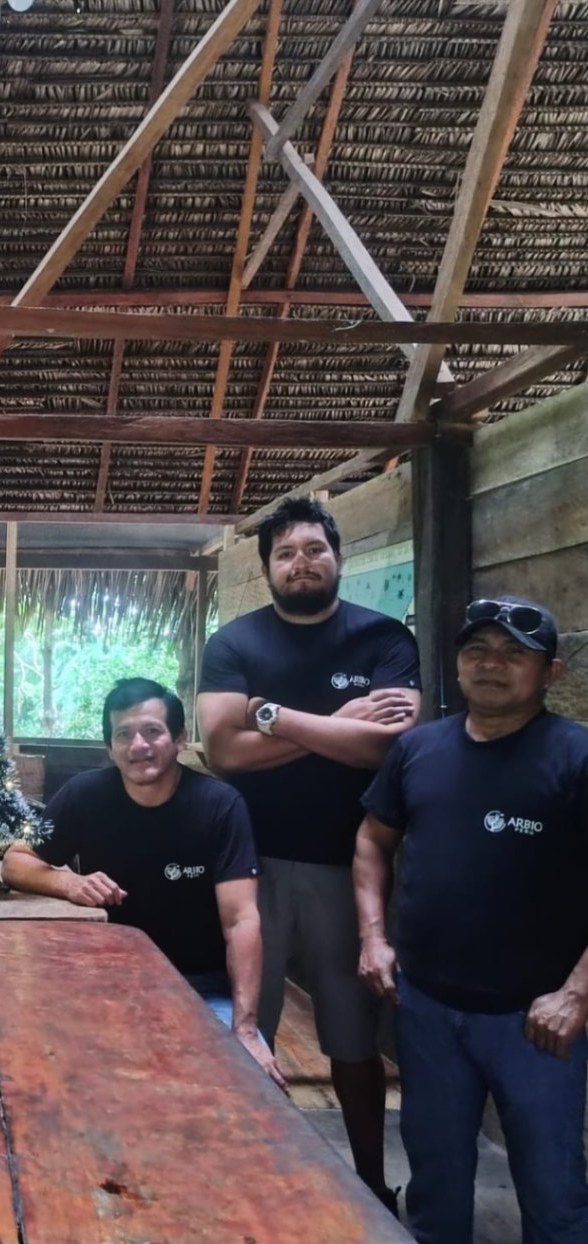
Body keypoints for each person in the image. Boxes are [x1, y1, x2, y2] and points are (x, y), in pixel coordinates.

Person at [196, 496, 420, 1210]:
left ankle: (369, 1183)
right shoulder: (233, 643)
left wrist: (272, 715)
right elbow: (224, 752)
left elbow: (385, 745)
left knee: (353, 1041)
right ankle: (244, 1182)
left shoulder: (383, 638)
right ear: (266, 567)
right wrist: (333, 724)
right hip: (247, 869)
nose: (301, 562)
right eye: (286, 553)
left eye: (313, 549)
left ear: (337, 557)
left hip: (344, 869)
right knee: (244, 1031)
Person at [356, 596, 588, 1244]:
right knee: (434, 1186)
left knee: (552, 1195)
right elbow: (371, 841)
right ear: (456, 665)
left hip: (536, 1024)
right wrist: (373, 938)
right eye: (476, 651)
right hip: (425, 1010)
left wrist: (576, 993)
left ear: (551, 672)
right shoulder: (417, 750)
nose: (492, 665)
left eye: (514, 653)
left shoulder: (574, 757)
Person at [1, 677, 285, 1090]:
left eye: (152, 731)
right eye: (124, 735)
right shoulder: (85, 795)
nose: (138, 746)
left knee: (254, 1087)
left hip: (202, 987)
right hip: (106, 984)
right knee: (48, 1080)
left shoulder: (220, 806)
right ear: (109, 748)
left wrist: (245, 1029)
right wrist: (69, 882)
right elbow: (15, 861)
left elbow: (241, 921)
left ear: (180, 740)